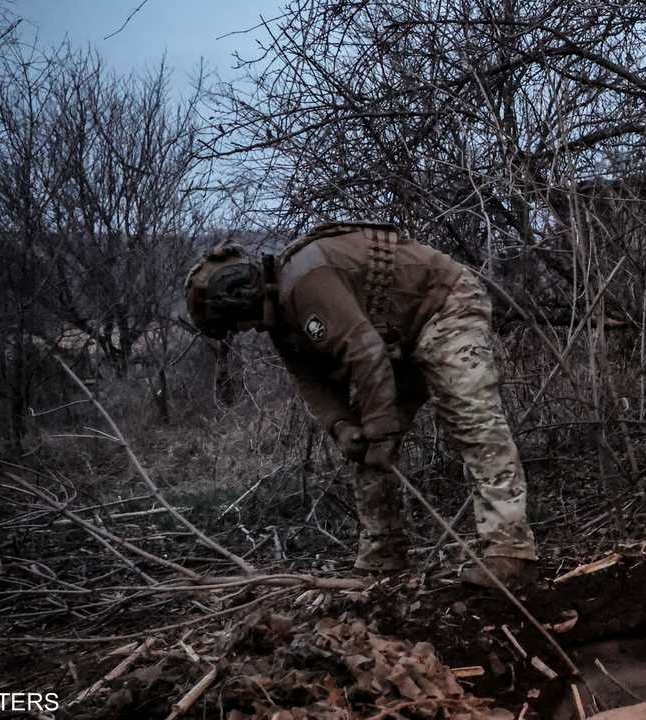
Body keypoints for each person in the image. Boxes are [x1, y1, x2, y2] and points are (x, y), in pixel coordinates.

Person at [183, 220, 536, 585]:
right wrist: (343, 426)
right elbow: (312, 381)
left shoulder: (305, 281)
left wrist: (381, 431)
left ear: (238, 300)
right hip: (394, 339)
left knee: (473, 420)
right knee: (365, 448)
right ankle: (382, 557)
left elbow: (365, 354)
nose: (244, 331)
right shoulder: (281, 320)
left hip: (444, 305)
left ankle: (510, 552)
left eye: (234, 325)